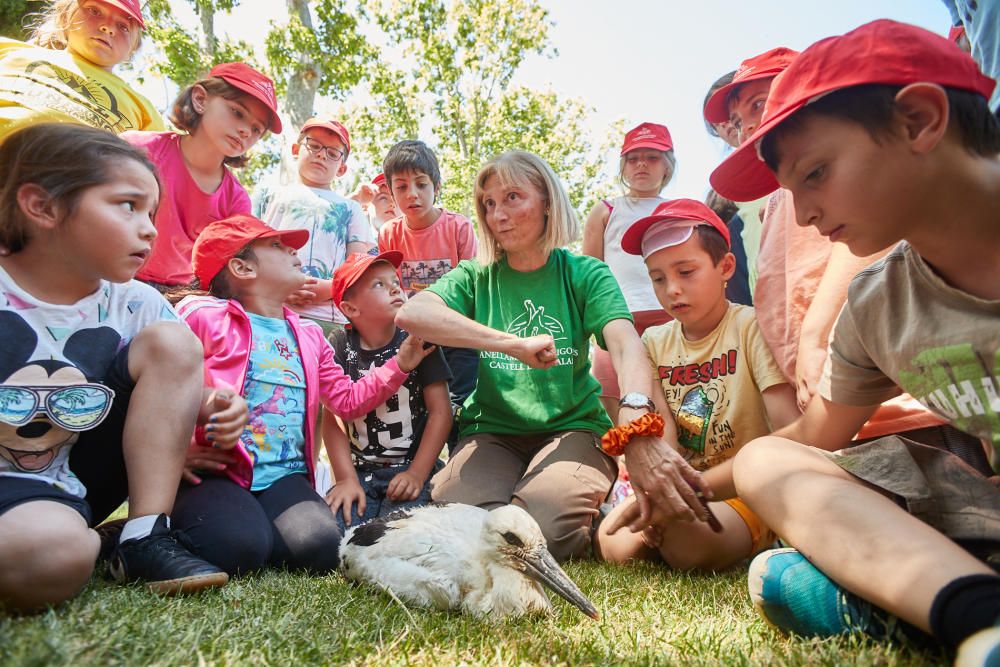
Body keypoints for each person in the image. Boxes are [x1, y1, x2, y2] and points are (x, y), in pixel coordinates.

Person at [708, 20, 1000, 659]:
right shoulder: (878, 303)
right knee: (766, 463)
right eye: (792, 192)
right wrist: (696, 485)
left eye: (817, 173)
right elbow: (816, 433)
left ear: (919, 120)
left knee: (790, 581)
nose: (805, 213)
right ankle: (979, 619)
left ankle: (894, 600)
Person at [396, 150, 713, 563]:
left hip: (573, 428)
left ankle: (580, 508)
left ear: (547, 202)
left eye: (513, 198)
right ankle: (549, 505)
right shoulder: (476, 275)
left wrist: (635, 407)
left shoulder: (585, 273)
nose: (498, 215)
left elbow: (624, 342)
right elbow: (413, 313)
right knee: (465, 526)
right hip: (491, 431)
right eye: (489, 204)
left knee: (542, 534)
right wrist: (511, 344)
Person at [0, 124, 235, 611]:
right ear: (41, 206)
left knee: (47, 559)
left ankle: (140, 537)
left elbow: (182, 384)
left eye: (152, 212)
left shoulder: (137, 303)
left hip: (54, 484)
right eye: (128, 205)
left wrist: (216, 406)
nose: (150, 228)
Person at [706, 45, 953, 452]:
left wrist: (816, 337)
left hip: (900, 406)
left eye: (759, 105)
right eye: (737, 121)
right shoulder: (778, 200)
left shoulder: (835, 180)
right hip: (831, 411)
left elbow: (869, 237)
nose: (748, 126)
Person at [169, 214, 434, 576]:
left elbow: (347, 400)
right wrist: (174, 451)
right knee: (238, 548)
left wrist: (400, 365)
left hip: (283, 477)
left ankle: (252, 524)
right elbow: (160, 385)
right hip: (215, 472)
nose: (293, 249)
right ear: (241, 267)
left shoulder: (309, 334)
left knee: (321, 549)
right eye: (277, 246)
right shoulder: (199, 315)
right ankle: (143, 532)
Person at [595, 199, 799, 570]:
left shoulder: (752, 327)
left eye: (686, 272)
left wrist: (679, 498)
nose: (671, 289)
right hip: (680, 488)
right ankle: (667, 522)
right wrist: (660, 496)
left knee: (688, 546)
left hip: (744, 490)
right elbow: (664, 444)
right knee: (610, 542)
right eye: (657, 278)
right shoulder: (654, 342)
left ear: (726, 267)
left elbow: (788, 430)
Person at [321, 251, 452, 530]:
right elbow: (331, 416)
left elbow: (441, 412)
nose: (395, 287)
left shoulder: (418, 339)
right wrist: (345, 479)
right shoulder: (340, 344)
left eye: (395, 280)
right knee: (337, 532)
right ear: (351, 309)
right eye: (378, 284)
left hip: (411, 467)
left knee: (402, 531)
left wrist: (417, 473)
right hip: (360, 474)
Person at [123, 62, 281, 290]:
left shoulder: (236, 200)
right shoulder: (139, 149)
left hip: (181, 294)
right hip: (114, 274)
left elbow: (223, 270)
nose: (246, 130)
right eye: (237, 112)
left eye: (256, 129)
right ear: (200, 99)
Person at [582, 122, 675, 422]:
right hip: (617, 320)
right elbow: (590, 273)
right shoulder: (606, 210)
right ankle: (623, 467)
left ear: (667, 166)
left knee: (673, 401)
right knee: (612, 397)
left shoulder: (677, 210)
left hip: (669, 316)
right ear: (623, 166)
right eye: (633, 159)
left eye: (652, 157)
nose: (641, 165)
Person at [378, 140, 479, 411]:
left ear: (436, 187)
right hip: (415, 338)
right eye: (401, 187)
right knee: (418, 410)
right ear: (390, 191)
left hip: (458, 336)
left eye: (421, 184)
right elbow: (391, 288)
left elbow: (474, 285)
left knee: (461, 408)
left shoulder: (459, 227)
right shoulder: (389, 233)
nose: (412, 194)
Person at [252, 117, 373, 336]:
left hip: (328, 318)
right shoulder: (269, 195)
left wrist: (330, 288)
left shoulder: (351, 208)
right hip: (268, 309)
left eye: (332, 153)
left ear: (342, 168)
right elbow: (250, 249)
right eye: (314, 146)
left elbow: (359, 265)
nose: (321, 155)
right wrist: (278, 286)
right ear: (296, 149)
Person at [0, 0, 164, 141]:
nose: (108, 27)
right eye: (94, 11)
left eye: (123, 27)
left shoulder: (143, 109)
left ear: (132, 48)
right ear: (64, 17)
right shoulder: (9, 49)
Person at [350, 173, 400, 237]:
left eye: (396, 199)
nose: (392, 203)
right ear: (365, 206)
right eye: (383, 198)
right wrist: (356, 198)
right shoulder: (356, 239)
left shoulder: (412, 243)